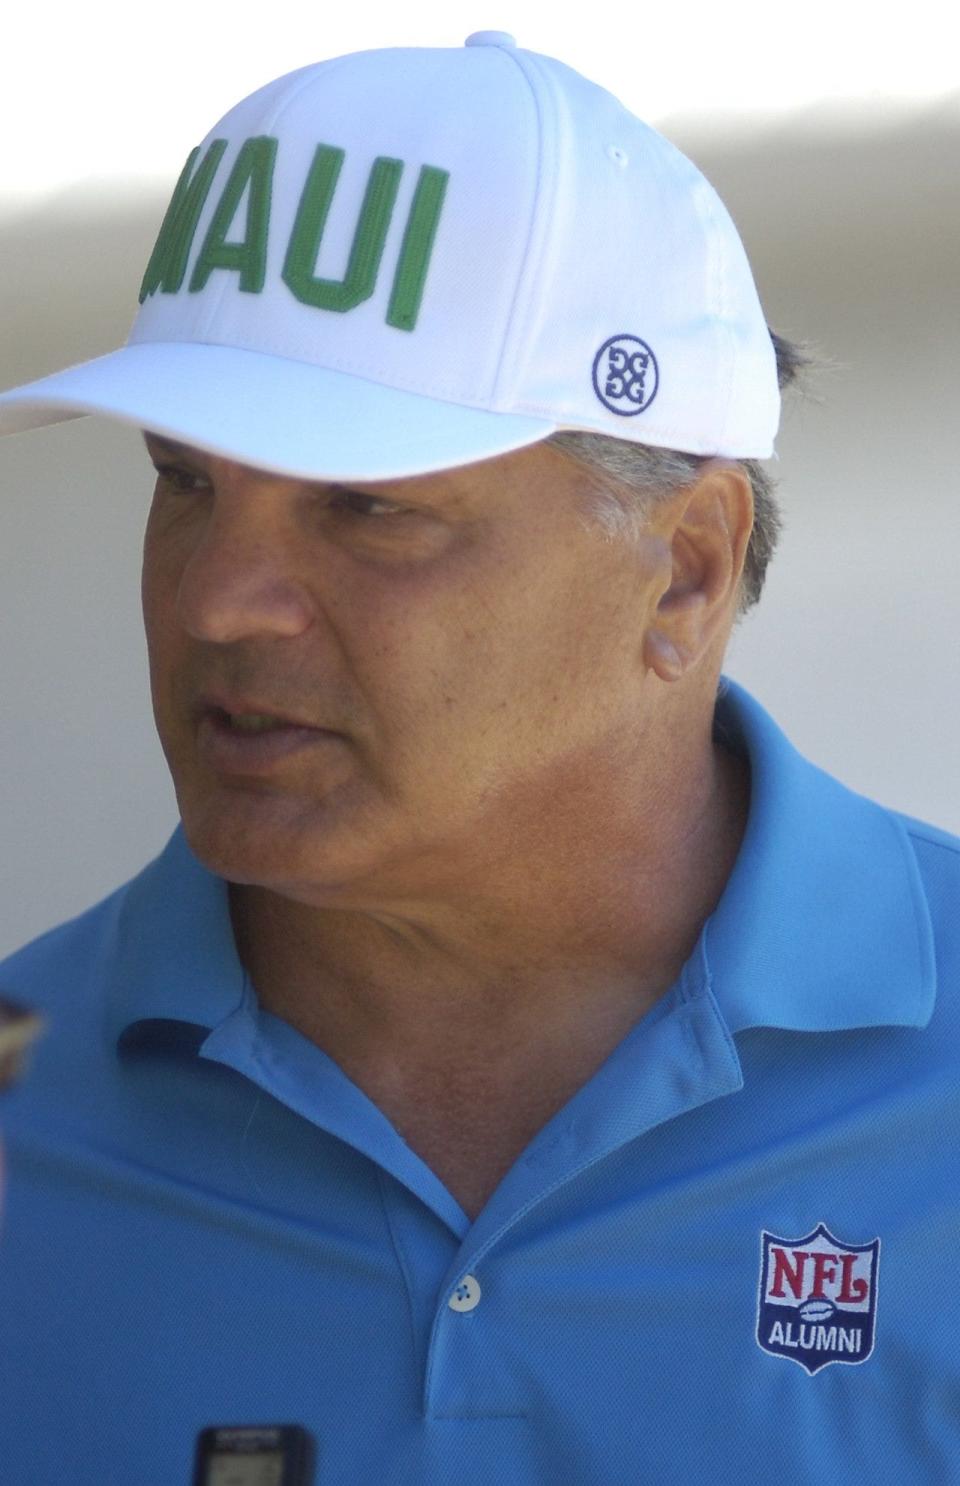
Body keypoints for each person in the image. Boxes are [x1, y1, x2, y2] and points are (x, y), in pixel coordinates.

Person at [0, 31, 957, 1486]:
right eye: (185, 483)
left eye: (365, 507)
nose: (214, 601)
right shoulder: (28, 1116)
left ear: (684, 572)